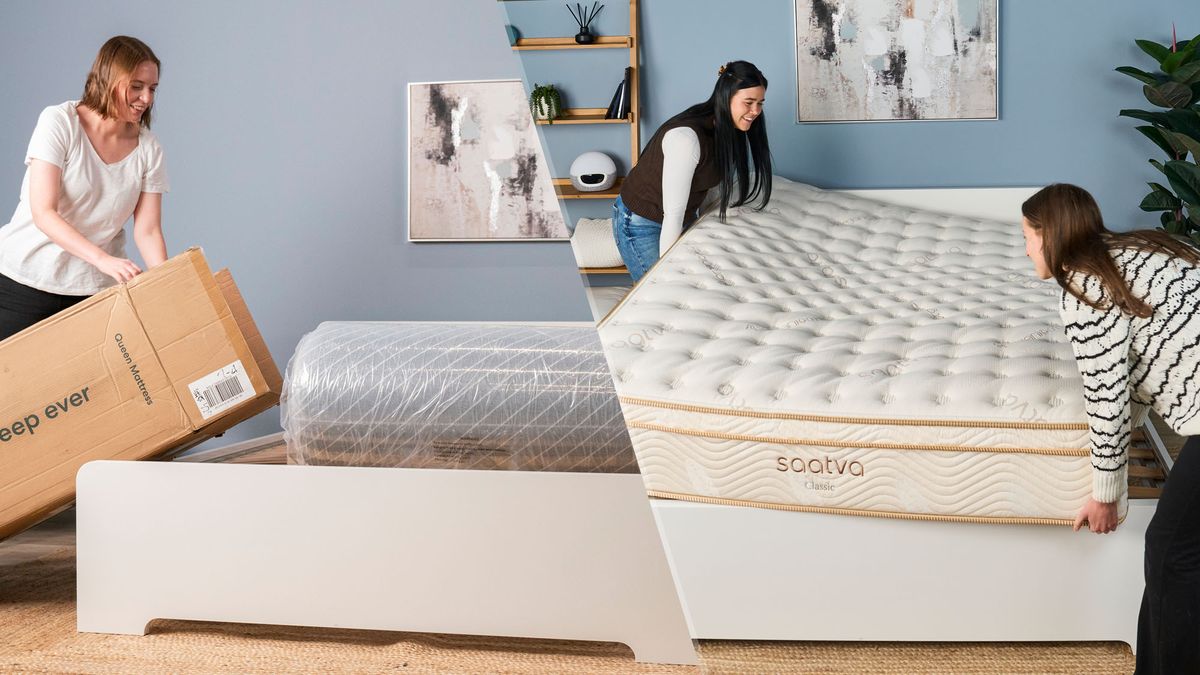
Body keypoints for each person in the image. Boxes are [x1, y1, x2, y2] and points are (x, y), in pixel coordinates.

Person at [1021, 183, 1200, 675]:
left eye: (1028, 237)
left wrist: (1105, 493)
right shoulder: (1139, 248)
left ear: (1050, 235)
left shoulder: (1083, 288)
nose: (1027, 249)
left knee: (1170, 552)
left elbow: (1107, 396)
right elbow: (1146, 368)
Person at [0, 35, 169, 341]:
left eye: (152, 89)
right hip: (21, 279)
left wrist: (169, 286)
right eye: (136, 86)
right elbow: (44, 212)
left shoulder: (149, 149)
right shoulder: (59, 122)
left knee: (85, 388)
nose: (146, 98)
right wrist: (104, 260)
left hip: (91, 291)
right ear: (108, 80)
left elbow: (148, 231)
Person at [612, 60, 772, 281]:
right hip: (642, 220)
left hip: (680, 217)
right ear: (726, 98)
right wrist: (667, 273)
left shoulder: (730, 130)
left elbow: (709, 186)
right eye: (749, 102)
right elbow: (673, 215)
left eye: (760, 103)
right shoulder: (686, 138)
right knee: (663, 289)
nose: (755, 111)